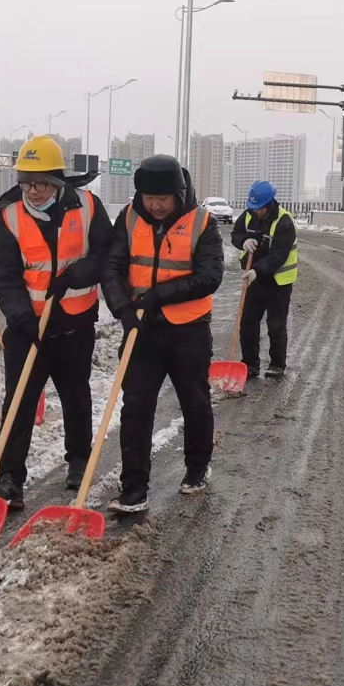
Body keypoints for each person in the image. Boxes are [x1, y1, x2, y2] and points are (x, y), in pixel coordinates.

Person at [0, 135, 112, 509]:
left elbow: (106, 252)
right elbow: (4, 275)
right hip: (28, 328)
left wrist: (78, 275)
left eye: (40, 182)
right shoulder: (8, 217)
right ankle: (9, 478)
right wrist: (21, 317)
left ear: (57, 180)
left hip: (74, 323)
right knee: (20, 400)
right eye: (26, 182)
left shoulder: (88, 206)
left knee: (76, 394)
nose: (33, 190)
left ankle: (78, 460)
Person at [99, 154, 224, 514]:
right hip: (143, 330)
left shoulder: (202, 223)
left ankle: (196, 469)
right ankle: (135, 488)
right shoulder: (128, 218)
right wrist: (123, 310)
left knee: (195, 403)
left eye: (163, 198)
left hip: (188, 332)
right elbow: (112, 266)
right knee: (136, 407)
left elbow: (209, 277)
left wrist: (159, 296)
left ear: (179, 193)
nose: (155, 205)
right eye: (149, 197)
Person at [230, 180, 298, 380]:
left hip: (278, 282)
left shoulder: (284, 222)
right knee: (248, 322)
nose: (255, 211)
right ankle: (250, 364)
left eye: (259, 207)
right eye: (253, 207)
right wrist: (244, 241)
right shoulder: (248, 215)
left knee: (275, 324)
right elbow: (236, 234)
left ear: (268, 204)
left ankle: (277, 365)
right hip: (254, 280)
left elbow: (279, 255)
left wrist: (257, 271)